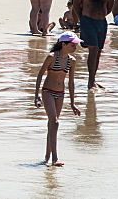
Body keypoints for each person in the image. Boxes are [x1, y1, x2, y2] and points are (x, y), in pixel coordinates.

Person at [34, 32, 82, 166]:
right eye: (73, 45)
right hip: (48, 91)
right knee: (54, 122)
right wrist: (36, 95)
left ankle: (47, 157)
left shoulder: (72, 61)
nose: (75, 47)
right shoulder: (52, 57)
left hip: (60, 93)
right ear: (64, 44)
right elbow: (40, 75)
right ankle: (55, 158)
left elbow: (71, 82)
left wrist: (73, 103)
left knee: (53, 124)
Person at [72, 0, 114, 90]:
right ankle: (91, 81)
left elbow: (110, 7)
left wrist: (100, 16)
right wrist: (82, 19)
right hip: (87, 21)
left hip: (101, 23)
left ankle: (93, 79)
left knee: (98, 52)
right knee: (94, 49)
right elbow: (76, 4)